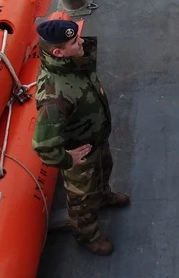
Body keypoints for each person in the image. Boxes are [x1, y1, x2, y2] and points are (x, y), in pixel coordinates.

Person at [32, 19, 129, 256]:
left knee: (105, 169)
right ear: (58, 52)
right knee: (82, 200)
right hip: (80, 154)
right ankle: (87, 236)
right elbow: (43, 145)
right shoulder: (55, 97)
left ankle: (104, 196)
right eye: (74, 41)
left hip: (96, 139)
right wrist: (68, 160)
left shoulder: (72, 63)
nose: (82, 42)